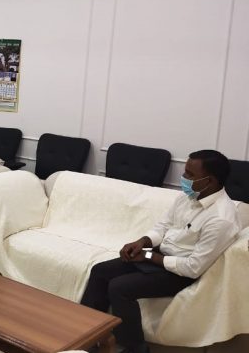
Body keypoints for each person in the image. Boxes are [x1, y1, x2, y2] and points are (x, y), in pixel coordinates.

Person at [80, 149, 240, 353]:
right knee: (100, 271)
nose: (183, 178)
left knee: (119, 288)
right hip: (158, 255)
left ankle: (136, 349)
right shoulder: (188, 197)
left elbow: (193, 268)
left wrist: (148, 255)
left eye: (190, 174)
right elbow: (163, 226)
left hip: (180, 272)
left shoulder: (221, 219)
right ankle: (86, 335)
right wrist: (143, 242)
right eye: (185, 171)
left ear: (210, 181)